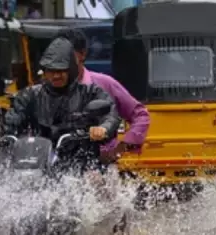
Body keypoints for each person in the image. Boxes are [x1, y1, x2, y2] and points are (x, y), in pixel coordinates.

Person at [0, 38, 121, 173]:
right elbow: (12, 120)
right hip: (36, 161)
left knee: (94, 179)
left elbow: (111, 114)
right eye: (51, 71)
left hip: (80, 163)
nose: (56, 76)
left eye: (61, 71)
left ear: (71, 69)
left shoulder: (90, 92)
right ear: (44, 71)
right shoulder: (31, 94)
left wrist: (103, 128)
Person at [55, 27, 150, 163]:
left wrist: (120, 148)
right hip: (55, 165)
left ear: (82, 54)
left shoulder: (105, 84)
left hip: (97, 167)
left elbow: (141, 115)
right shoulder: (45, 89)